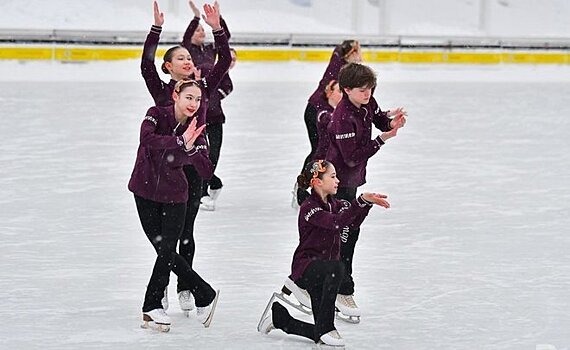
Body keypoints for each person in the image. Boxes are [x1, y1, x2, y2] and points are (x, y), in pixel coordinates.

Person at [140, 0, 231, 317]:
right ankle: (162, 288)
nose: (187, 61)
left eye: (189, 57)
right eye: (180, 58)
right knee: (162, 240)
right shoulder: (163, 94)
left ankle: (184, 288)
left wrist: (218, 29)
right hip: (163, 171)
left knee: (185, 234)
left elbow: (223, 62)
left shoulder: (203, 88)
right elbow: (146, 66)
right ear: (169, 67)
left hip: (192, 168)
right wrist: (156, 30)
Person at [257, 160, 391, 347]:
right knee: (337, 268)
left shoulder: (334, 204)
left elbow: (351, 223)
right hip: (307, 269)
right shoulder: (309, 208)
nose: (338, 180)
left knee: (320, 335)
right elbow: (336, 222)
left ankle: (280, 319)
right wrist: (359, 202)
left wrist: (366, 204)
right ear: (318, 181)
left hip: (324, 272)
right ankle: (327, 326)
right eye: (333, 176)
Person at [128, 79, 220, 331]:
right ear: (175, 95)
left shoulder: (196, 129)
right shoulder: (156, 114)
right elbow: (147, 139)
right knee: (163, 249)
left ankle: (151, 305)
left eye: (198, 99)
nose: (193, 103)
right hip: (144, 190)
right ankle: (203, 292)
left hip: (175, 196)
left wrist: (190, 148)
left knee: (167, 249)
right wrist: (179, 142)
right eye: (189, 97)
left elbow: (206, 169)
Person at [326, 62, 407, 320]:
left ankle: (338, 285)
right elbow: (351, 157)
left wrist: (391, 121)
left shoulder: (366, 101)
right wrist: (382, 140)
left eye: (371, 89)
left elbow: (379, 118)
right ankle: (340, 288)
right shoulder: (342, 117)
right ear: (346, 89)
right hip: (336, 182)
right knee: (342, 237)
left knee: (349, 235)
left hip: (352, 181)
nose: (368, 94)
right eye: (362, 90)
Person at [292, 40, 362, 206]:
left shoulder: (349, 70)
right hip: (315, 111)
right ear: (350, 53)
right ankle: (302, 188)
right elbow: (338, 51)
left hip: (326, 113)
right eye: (357, 52)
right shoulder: (338, 66)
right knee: (319, 150)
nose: (360, 56)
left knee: (324, 150)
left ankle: (314, 189)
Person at [183, 1, 234, 210]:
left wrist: (218, 20)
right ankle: (203, 189)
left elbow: (226, 40)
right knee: (197, 154)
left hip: (214, 114)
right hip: (195, 114)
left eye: (202, 29)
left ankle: (209, 182)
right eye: (198, 30)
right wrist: (195, 17)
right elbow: (186, 38)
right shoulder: (188, 52)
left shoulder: (211, 52)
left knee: (213, 155)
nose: (201, 32)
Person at [295, 79, 343, 206]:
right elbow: (326, 118)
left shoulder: (340, 111)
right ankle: (302, 193)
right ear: (329, 93)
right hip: (323, 159)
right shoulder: (324, 112)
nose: (342, 95)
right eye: (339, 91)